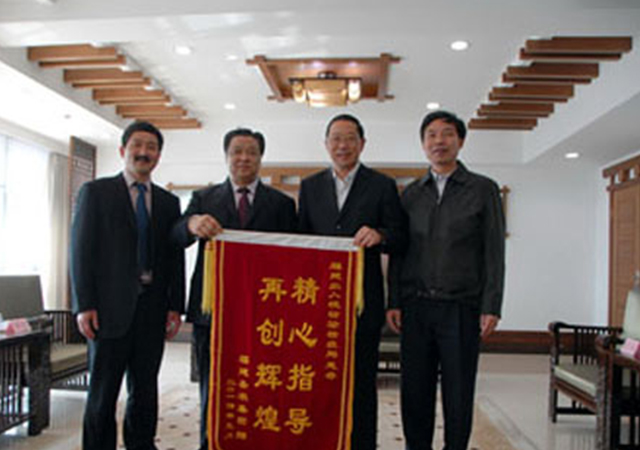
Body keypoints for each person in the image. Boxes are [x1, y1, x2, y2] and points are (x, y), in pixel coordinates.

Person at [171, 127, 297, 450]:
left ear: (261, 158)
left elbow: (294, 258)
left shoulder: (281, 204)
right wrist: (192, 224)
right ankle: (210, 443)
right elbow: (176, 235)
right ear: (226, 156)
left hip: (264, 314)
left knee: (261, 385)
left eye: (251, 152)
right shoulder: (204, 198)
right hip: (213, 311)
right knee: (214, 386)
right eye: (237, 152)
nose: (244, 158)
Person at [387, 110, 505, 450]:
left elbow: (494, 251)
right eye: (431, 135)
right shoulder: (411, 194)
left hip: (461, 307)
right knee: (415, 392)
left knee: (458, 391)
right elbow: (399, 252)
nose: (439, 141)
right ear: (423, 144)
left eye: (447, 134)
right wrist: (395, 300)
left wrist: (491, 305)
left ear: (460, 141)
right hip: (416, 307)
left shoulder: (482, 189)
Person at [70, 121, 185, 450]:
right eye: (137, 145)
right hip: (107, 310)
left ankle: (141, 445)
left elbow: (173, 257)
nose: (144, 152)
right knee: (103, 393)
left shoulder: (168, 202)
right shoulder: (96, 193)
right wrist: (84, 305)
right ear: (123, 150)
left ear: (158, 156)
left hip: (152, 309)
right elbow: (80, 251)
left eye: (151, 147)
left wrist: (175, 306)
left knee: (145, 391)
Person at [298, 114, 407, 450]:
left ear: (362, 143)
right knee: (319, 380)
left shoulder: (382, 185)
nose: (342, 145)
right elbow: (300, 242)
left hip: (363, 302)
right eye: (335, 138)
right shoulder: (310, 186)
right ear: (326, 144)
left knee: (361, 382)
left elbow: (401, 236)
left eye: (349, 138)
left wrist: (380, 235)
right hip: (318, 304)